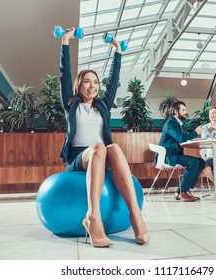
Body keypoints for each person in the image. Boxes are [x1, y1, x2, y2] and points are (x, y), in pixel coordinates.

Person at [59, 28, 149, 247]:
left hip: (102, 157)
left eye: (96, 82)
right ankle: (93, 217)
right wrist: (65, 41)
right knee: (100, 147)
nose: (92, 86)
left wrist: (118, 52)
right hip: (78, 158)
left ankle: (135, 214)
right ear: (79, 86)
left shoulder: (103, 106)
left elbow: (115, 78)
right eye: (87, 82)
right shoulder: (71, 104)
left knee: (114, 148)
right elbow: (64, 74)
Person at [158, 101, 205, 202]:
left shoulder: (178, 123)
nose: (185, 112)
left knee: (201, 162)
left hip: (174, 154)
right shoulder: (171, 122)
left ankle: (182, 191)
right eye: (183, 110)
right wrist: (196, 132)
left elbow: (182, 138)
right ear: (176, 111)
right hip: (168, 156)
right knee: (194, 162)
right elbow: (182, 138)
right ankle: (183, 192)